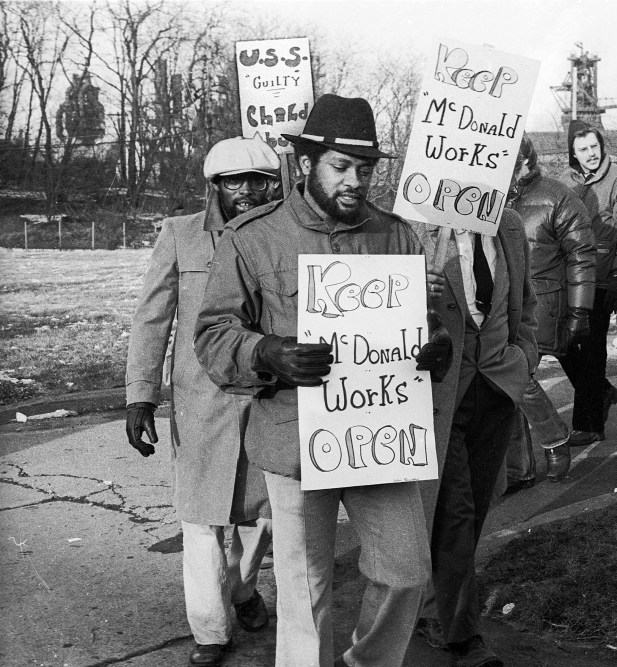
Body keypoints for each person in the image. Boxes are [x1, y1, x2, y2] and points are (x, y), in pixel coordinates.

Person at [193, 95, 451, 667]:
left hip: (381, 437)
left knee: (406, 570)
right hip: (294, 442)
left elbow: (423, 326)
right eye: (341, 166)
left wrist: (437, 347)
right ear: (306, 162)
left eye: (366, 168)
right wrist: (266, 351)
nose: (355, 181)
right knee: (305, 590)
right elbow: (212, 335)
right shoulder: (253, 237)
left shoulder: (396, 235)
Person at [125, 136, 278, 666]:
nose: (247, 190)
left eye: (259, 180)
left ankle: (242, 589)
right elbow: (152, 317)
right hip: (201, 403)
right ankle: (211, 630)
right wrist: (140, 396)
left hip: (269, 397)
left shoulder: (286, 235)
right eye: (235, 181)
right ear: (215, 186)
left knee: (262, 517)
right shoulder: (180, 234)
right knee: (200, 518)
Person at [414, 163, 538, 666]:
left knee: (479, 505)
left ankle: (432, 605)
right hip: (440, 393)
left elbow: (524, 302)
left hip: (497, 386)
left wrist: (525, 357)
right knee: (455, 511)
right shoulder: (416, 231)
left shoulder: (509, 225)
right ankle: (461, 635)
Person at [503, 134, 597, 491]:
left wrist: (580, 310)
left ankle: (554, 440)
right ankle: (519, 467)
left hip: (542, 303)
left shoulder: (558, 196)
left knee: (517, 374)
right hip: (500, 303)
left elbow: (582, 255)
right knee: (503, 378)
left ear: (526, 161)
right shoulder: (488, 197)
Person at [558, 119, 617, 446]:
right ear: (573, 153)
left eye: (594, 146)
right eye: (583, 149)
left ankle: (589, 425)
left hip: (601, 277)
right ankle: (602, 391)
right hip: (567, 275)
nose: (590, 154)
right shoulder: (563, 182)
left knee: (591, 349)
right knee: (559, 341)